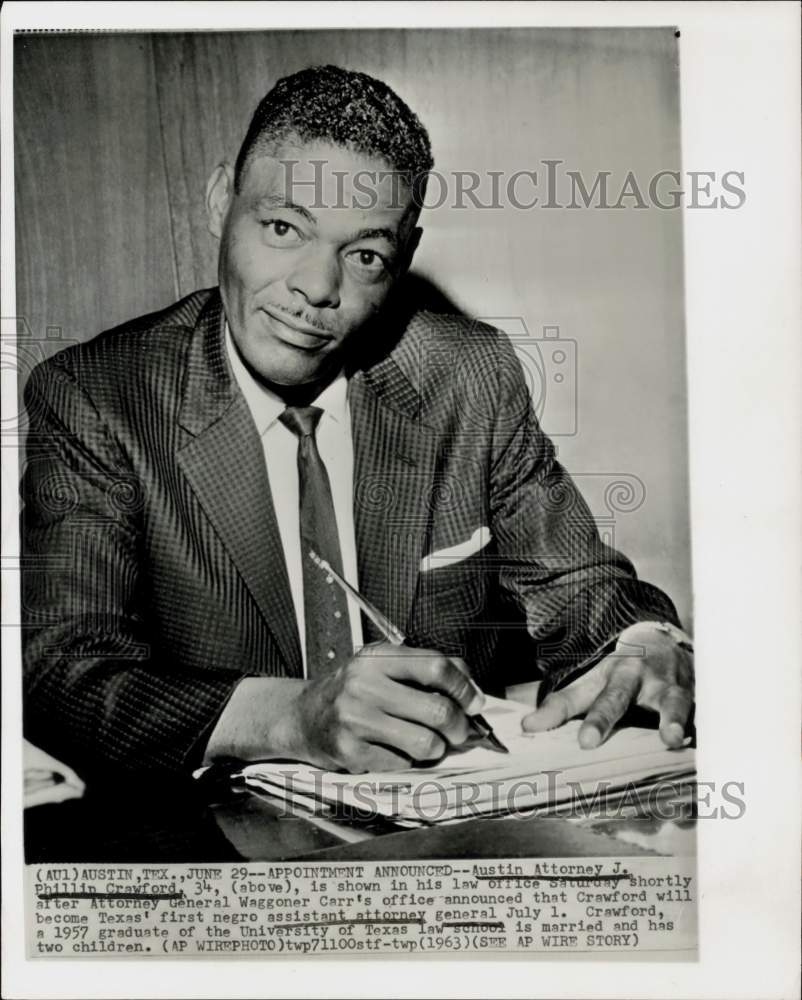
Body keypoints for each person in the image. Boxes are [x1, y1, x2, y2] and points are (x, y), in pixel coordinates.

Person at [21, 65, 694, 781]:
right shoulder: (98, 396)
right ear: (221, 201)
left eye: (365, 255)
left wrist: (642, 644)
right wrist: (291, 717)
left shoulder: (471, 377)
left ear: (403, 255)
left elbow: (582, 586)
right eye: (283, 228)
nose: (316, 288)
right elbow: (61, 673)